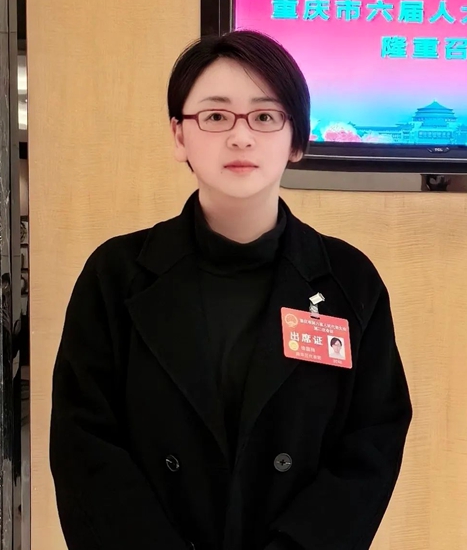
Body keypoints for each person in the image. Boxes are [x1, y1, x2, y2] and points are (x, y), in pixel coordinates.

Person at [50, 30, 412, 550]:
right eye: (216, 116)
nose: (241, 137)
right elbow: (83, 443)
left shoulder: (349, 280)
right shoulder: (115, 275)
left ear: (297, 140)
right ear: (179, 136)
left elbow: (372, 441)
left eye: (265, 117)